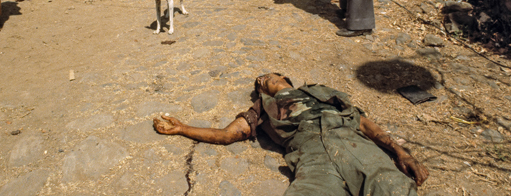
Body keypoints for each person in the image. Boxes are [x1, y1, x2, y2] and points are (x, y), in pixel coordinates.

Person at [154, 72, 429, 196]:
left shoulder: (320, 91)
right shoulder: (262, 107)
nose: (263, 79)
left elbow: (363, 123)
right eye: (260, 83)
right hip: (312, 158)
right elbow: (227, 134)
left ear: (285, 78)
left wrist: (401, 153)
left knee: (394, 188)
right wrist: (182, 128)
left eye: (267, 75)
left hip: (354, 145)